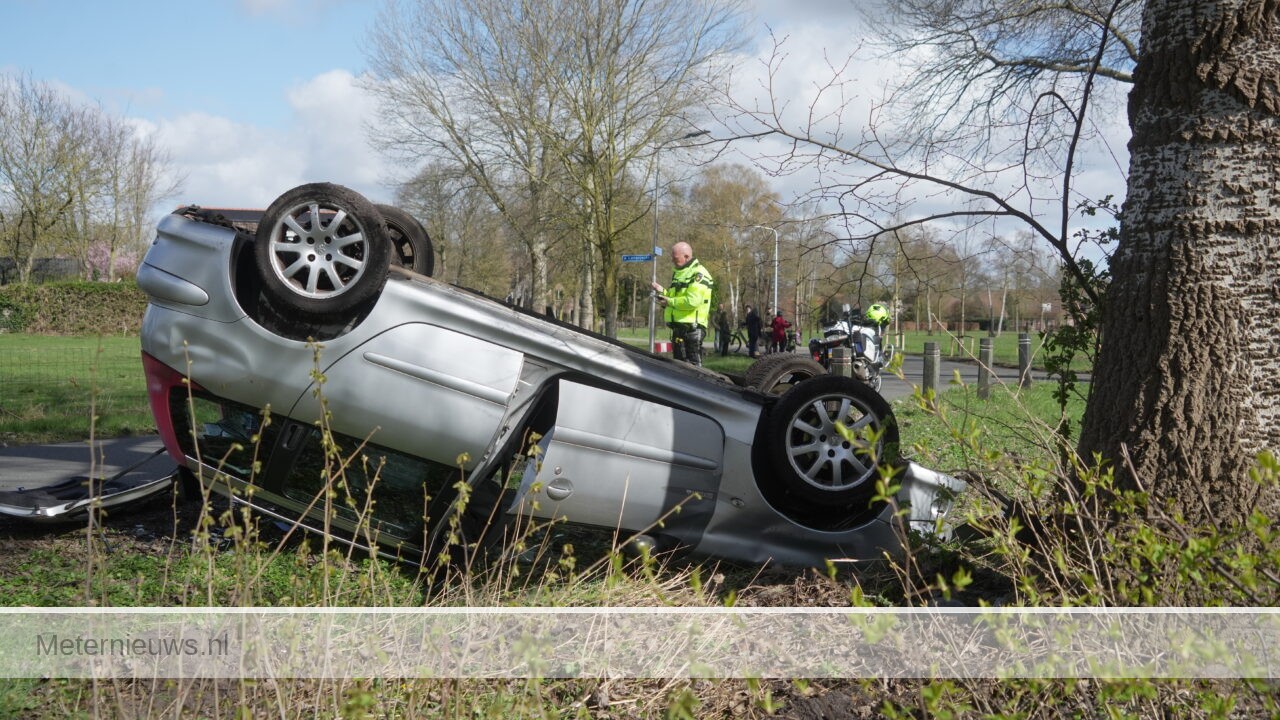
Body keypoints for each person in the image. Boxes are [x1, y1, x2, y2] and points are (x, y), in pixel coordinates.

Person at [650, 241, 713, 366]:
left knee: (694, 370)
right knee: (679, 368)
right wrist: (663, 292)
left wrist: (669, 302)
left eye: (675, 258)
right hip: (679, 328)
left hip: (692, 330)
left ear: (686, 256)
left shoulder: (699, 273)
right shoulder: (679, 274)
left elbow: (692, 301)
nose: (673, 260)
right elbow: (675, 298)